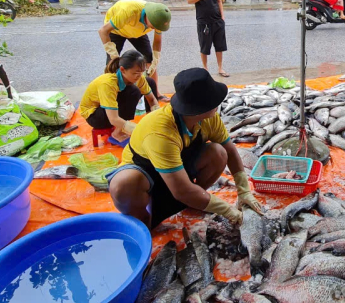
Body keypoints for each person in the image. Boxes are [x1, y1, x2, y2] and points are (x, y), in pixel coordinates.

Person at [106, 68, 264, 229]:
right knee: (125, 184)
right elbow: (181, 190)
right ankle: (143, 223)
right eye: (213, 101)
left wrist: (244, 190)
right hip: (148, 174)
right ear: (198, 110)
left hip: (179, 171)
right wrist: (228, 210)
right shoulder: (161, 131)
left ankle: (196, 200)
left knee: (219, 152)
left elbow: (230, 151)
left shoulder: (209, 118)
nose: (218, 104)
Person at [79, 50, 160, 146]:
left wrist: (157, 120)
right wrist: (138, 130)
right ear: (122, 70)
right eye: (136, 73)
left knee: (149, 81)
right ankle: (117, 133)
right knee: (133, 91)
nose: (139, 76)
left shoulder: (138, 77)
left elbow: (151, 99)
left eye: (142, 72)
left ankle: (150, 123)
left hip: (109, 110)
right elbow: (113, 119)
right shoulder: (107, 83)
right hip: (95, 115)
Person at [98, 0, 171, 101]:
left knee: (150, 60)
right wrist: (114, 57)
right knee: (112, 65)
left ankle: (156, 94)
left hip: (137, 31)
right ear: (148, 17)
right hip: (116, 30)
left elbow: (157, 41)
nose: (155, 29)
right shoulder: (128, 11)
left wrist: (156, 60)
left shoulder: (158, 18)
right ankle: (110, 98)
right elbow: (103, 31)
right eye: (153, 26)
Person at [187, 0, 230, 78]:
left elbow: (219, 0)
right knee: (204, 46)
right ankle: (205, 69)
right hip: (203, 20)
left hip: (217, 20)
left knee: (220, 45)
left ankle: (220, 68)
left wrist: (222, 17)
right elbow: (189, 0)